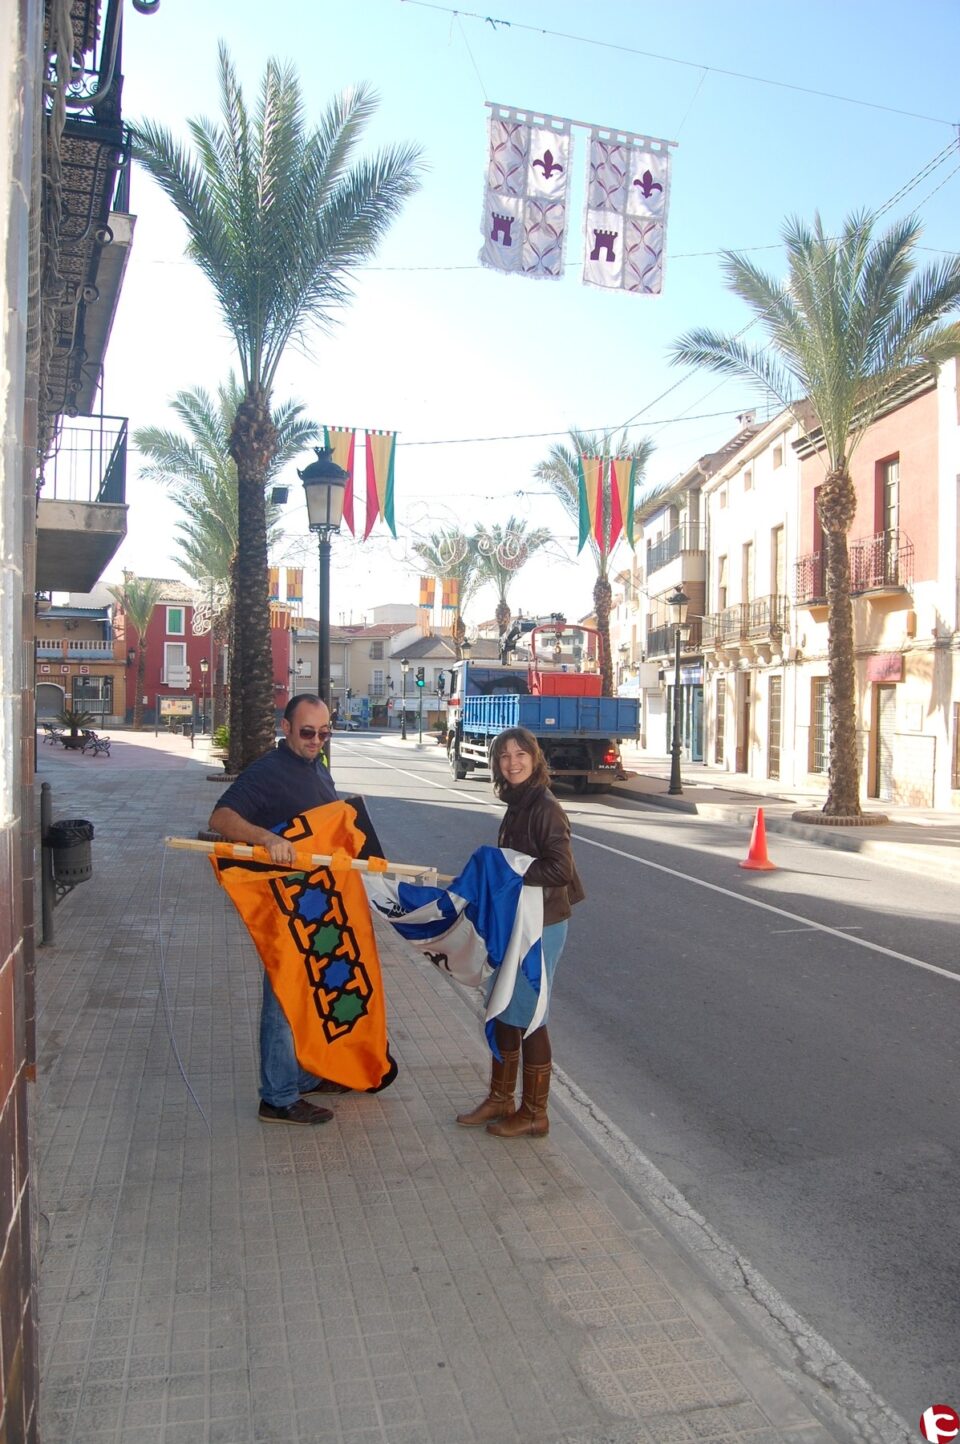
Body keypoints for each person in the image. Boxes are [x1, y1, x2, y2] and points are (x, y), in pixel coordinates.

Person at [209, 694, 351, 1127]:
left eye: (324, 733)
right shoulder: (268, 771)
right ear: (285, 727)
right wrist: (266, 839)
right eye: (307, 732)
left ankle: (302, 1076)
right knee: (282, 998)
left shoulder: (316, 766)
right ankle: (278, 1097)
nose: (316, 740)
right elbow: (221, 817)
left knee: (305, 993)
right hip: (282, 905)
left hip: (313, 904)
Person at [456, 727, 585, 1138]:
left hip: (541, 926)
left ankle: (534, 1113)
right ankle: (501, 1098)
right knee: (504, 1009)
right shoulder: (518, 800)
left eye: (520, 754)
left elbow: (560, 869)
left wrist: (507, 874)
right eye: (504, 756)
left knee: (529, 1016)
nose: (512, 763)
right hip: (519, 920)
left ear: (534, 758)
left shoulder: (544, 807)